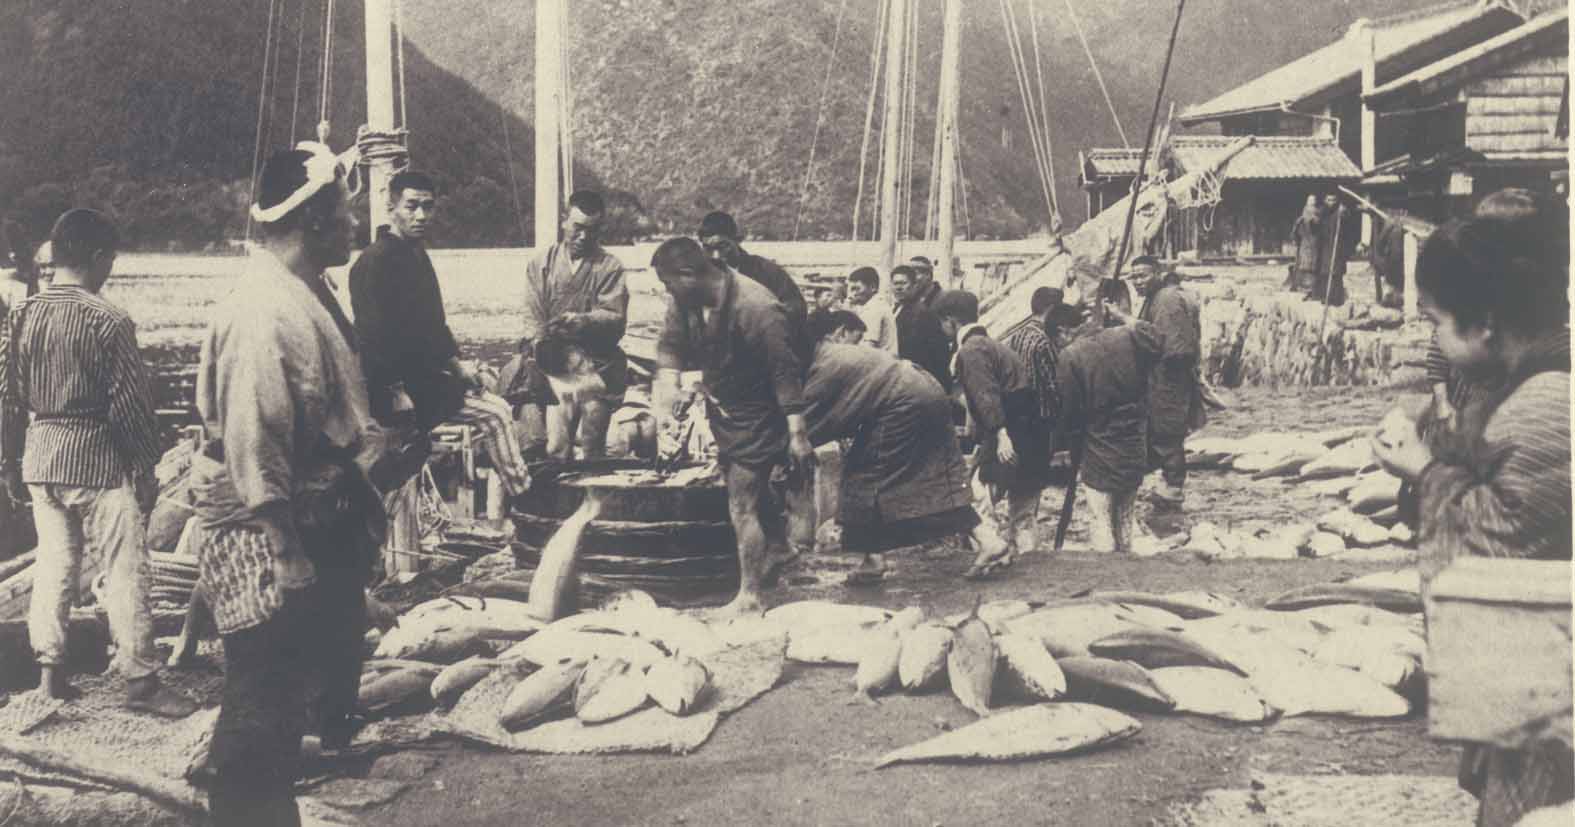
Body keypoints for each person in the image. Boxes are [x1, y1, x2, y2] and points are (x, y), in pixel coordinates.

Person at [190, 144, 389, 824]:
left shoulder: (304, 290)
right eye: (344, 214)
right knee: (262, 685)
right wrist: (284, 546)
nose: (354, 226)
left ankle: (268, 810)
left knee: (287, 685)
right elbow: (253, 435)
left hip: (309, 505)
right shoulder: (262, 310)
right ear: (309, 223)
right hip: (265, 523)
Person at [1371, 188, 1570, 827]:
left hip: (1551, 704)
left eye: (1434, 319)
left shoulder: (1545, 406)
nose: (1430, 333)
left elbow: (1494, 551)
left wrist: (1423, 471)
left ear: (1484, 322)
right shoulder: (1523, 385)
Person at [0, 208, 195, 715]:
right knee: (127, 568)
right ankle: (141, 681)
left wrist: (10, 460)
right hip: (95, 460)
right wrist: (147, 468)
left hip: (40, 456)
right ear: (98, 258)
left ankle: (50, 674)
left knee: (54, 567)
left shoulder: (24, 313)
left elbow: (8, 396)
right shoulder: (109, 319)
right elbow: (130, 408)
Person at [652, 237, 815, 615]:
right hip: (724, 400)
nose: (666, 291)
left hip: (764, 406)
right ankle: (780, 546)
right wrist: (670, 388)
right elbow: (670, 345)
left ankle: (750, 594)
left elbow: (785, 373)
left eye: (667, 283)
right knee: (742, 483)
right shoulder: (685, 300)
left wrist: (798, 434)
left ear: (689, 275)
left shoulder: (758, 307)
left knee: (741, 501)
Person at [349, 171, 527, 494]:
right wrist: (396, 391)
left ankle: (519, 494)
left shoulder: (417, 254)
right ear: (391, 207)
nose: (420, 216)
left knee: (495, 405)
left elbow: (436, 325)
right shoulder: (373, 263)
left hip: (425, 383)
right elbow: (372, 337)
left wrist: (459, 366)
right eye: (411, 206)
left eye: (427, 207)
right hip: (396, 394)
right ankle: (527, 499)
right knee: (496, 416)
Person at [800, 310, 998, 585]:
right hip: (921, 391)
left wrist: (780, 449)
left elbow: (806, 423)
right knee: (923, 481)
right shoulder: (830, 354)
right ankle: (872, 558)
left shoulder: (826, 363)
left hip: (905, 401)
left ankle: (989, 541)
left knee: (866, 477)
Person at [933, 289, 1049, 564]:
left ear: (950, 321)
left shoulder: (972, 350)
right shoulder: (998, 346)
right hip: (1031, 431)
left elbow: (987, 395)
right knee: (1023, 509)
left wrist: (1000, 434)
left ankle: (994, 555)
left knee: (979, 500)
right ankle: (1031, 564)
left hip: (1008, 432)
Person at [517, 190, 630, 460]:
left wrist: (584, 321)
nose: (583, 237)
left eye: (592, 230)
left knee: (592, 442)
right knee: (556, 446)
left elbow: (615, 318)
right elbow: (532, 317)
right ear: (564, 221)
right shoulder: (540, 265)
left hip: (595, 365)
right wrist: (542, 344)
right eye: (577, 228)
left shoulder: (610, 266)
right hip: (553, 361)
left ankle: (593, 495)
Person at [1054, 316, 1165, 554]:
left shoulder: (1070, 355)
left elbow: (1069, 409)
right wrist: (1129, 320)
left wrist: (1066, 443)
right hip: (1134, 441)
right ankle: (1126, 563)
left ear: (1064, 331)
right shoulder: (1126, 337)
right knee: (1126, 514)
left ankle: (1107, 569)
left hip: (1098, 446)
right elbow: (1158, 341)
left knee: (1100, 517)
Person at [1124, 256, 1204, 507]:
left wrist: (1131, 325)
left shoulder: (1167, 300)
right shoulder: (1155, 299)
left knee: (1167, 433)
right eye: (1134, 277)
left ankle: (1173, 488)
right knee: (1159, 432)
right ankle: (1165, 484)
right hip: (1161, 378)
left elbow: (1173, 347)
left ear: (1157, 273)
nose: (1137, 281)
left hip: (1170, 378)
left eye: (1143, 275)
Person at [698, 211, 809, 358]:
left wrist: (760, 321)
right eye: (708, 249)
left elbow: (797, 308)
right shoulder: (700, 279)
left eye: (723, 246)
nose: (716, 256)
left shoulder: (767, 271)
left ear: (737, 240)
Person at [1001, 286, 1064, 426]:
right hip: (1043, 416)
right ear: (1051, 309)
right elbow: (1053, 384)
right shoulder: (1044, 340)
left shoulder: (1018, 335)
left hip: (1023, 412)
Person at [891, 264, 953, 392]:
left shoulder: (921, 313)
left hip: (920, 380)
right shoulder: (898, 309)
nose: (898, 287)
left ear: (914, 286)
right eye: (895, 283)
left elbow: (933, 354)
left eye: (903, 283)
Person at [1310, 193, 1357, 306]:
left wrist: (1344, 216)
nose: (1331, 202)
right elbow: (1314, 229)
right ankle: (1323, 297)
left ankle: (1336, 299)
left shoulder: (1341, 212)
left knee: (1336, 273)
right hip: (1323, 248)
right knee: (1323, 273)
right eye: (1329, 200)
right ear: (1325, 200)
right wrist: (1314, 222)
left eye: (1333, 200)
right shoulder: (1321, 212)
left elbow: (1349, 230)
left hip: (1337, 248)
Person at [845, 266, 897, 353]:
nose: (852, 294)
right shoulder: (877, 304)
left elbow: (867, 349)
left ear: (873, 287)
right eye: (851, 289)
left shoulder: (874, 308)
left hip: (880, 364)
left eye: (856, 288)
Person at [1287, 194, 1321, 292]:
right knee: (1302, 264)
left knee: (1313, 265)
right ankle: (1301, 285)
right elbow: (1295, 232)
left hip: (1314, 243)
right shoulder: (1301, 219)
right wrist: (1296, 240)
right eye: (1309, 202)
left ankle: (1312, 286)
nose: (1311, 206)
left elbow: (1319, 228)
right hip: (1304, 243)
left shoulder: (1318, 216)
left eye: (1313, 202)